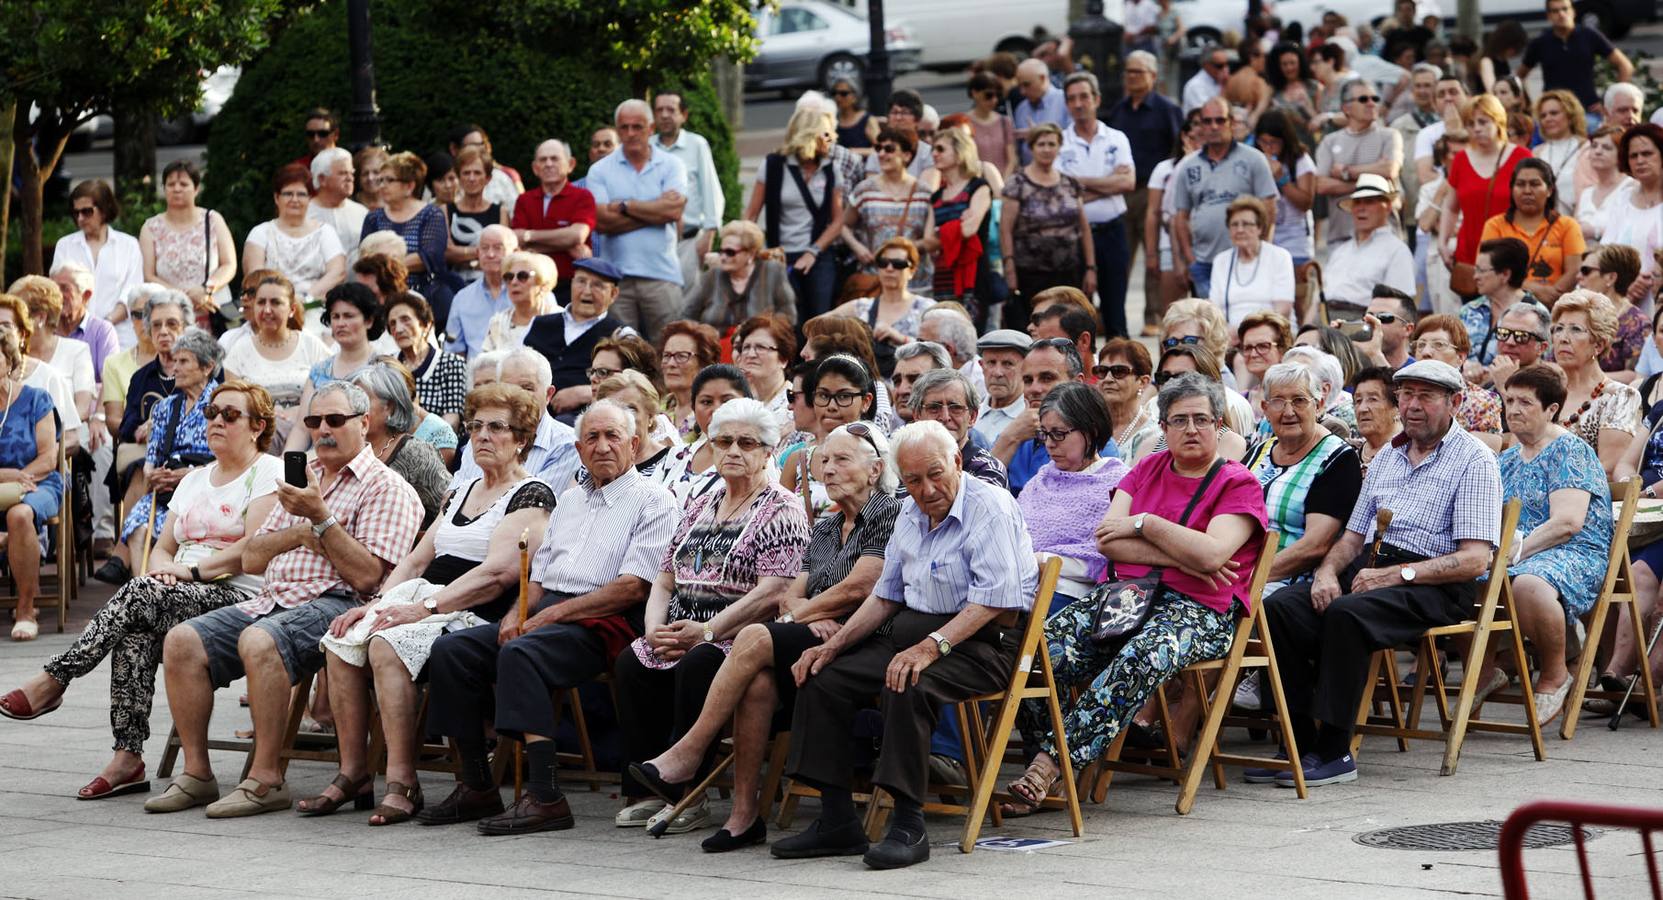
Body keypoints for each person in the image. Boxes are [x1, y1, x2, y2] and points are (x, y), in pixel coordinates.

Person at [148, 381, 422, 817]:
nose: (323, 430)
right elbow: (252, 557)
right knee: (181, 640)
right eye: (314, 421)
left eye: (335, 420)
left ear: (364, 423)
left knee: (260, 640)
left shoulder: (387, 488)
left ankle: (266, 778)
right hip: (272, 598)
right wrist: (298, 532)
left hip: (340, 604)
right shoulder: (302, 478)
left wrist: (321, 518)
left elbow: (368, 577)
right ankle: (197, 774)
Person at [771, 420, 1037, 868]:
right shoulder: (909, 512)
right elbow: (885, 596)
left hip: (982, 641)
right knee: (823, 676)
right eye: (913, 480)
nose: (926, 489)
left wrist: (930, 647)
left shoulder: (990, 506)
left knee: (907, 683)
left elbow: (994, 602)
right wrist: (832, 647)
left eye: (935, 474)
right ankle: (837, 820)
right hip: (913, 633)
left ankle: (909, 825)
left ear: (957, 461)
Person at [1002, 373, 1266, 812]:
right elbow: (1109, 542)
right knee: (1039, 652)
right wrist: (1185, 557)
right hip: (1128, 595)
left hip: (1199, 608)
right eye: (1179, 420)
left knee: (1141, 656)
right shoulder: (1147, 469)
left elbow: (1213, 553)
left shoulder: (1237, 483)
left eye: (1202, 419)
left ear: (1219, 425)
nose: (1191, 429)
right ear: (1163, 427)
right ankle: (1048, 769)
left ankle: (1049, 767)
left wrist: (1146, 524)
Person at [631, 424, 899, 851]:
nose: (828, 469)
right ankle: (744, 817)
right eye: (824, 460)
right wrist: (805, 616)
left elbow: (861, 586)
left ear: (875, 470)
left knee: (754, 635)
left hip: (866, 636)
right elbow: (790, 594)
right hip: (815, 633)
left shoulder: (889, 512)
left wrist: (802, 615)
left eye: (841, 460)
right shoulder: (827, 526)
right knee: (757, 684)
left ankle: (691, 750)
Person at [0, 380, 276, 794]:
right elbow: (162, 548)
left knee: (140, 595)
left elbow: (250, 550)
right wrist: (164, 571)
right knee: (136, 629)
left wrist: (188, 572)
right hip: (179, 589)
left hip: (240, 594)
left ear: (257, 426)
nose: (217, 421)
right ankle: (127, 757)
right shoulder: (195, 480)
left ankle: (57, 678)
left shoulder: (268, 472)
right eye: (211, 413)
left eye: (230, 415)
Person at [311, 383, 554, 823]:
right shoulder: (461, 490)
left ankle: (402, 782)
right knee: (342, 637)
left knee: (386, 643)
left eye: (497, 427)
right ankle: (354, 772)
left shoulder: (531, 494)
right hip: (426, 597)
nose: (482, 435)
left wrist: (424, 609)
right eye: (476, 426)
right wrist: (376, 603)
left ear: (522, 439)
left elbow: (497, 574)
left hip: (475, 607)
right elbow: (416, 560)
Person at [1260, 359, 1502, 787]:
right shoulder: (1389, 455)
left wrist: (1397, 575)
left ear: (1455, 403)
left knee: (1346, 614)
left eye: (1426, 396)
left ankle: (1335, 751)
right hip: (1371, 567)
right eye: (1406, 395)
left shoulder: (1474, 460)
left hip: (1435, 583)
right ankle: (1296, 745)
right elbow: (1352, 538)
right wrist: (1326, 572)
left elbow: (1474, 561)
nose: (1412, 405)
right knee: (1280, 608)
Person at [612, 398, 809, 833]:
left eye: (746, 443)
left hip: (737, 635)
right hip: (682, 625)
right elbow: (664, 578)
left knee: (700, 663)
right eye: (723, 441)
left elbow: (773, 592)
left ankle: (689, 794)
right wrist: (655, 631)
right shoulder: (703, 502)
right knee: (632, 661)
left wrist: (706, 630)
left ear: (767, 452)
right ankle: (650, 790)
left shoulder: (782, 508)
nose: (733, 451)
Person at [1488, 364, 1614, 725]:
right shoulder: (1506, 459)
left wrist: (1512, 552)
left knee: (1527, 583)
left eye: (1525, 402)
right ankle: (1483, 672)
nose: (1513, 409)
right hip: (1520, 552)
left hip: (1573, 552)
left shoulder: (1569, 451)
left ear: (1551, 409)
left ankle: (1555, 670)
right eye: (1510, 401)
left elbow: (1567, 523)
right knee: (1462, 576)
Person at [95, 327, 220, 585]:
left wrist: (188, 475)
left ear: (207, 367)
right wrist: (154, 476)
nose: (175, 368)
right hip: (169, 494)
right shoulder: (165, 407)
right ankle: (145, 594)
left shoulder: (222, 405)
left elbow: (231, 461)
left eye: (184, 361)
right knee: (137, 527)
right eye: (175, 361)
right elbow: (151, 460)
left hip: (211, 492)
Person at [1244, 362, 1363, 591]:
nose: (1289, 412)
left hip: (1285, 582)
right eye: (1278, 401)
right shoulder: (1258, 452)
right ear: (1265, 408)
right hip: (1237, 571)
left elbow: (1314, 546)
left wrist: (1250, 578)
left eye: (1299, 400)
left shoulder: (1336, 459)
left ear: (1318, 405)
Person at [1016, 382, 1130, 606]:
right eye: (1044, 434)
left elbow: (1102, 559)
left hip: (1071, 599)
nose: (1049, 444)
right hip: (1019, 584)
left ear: (1091, 431)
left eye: (1059, 434)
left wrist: (1043, 559)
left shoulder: (1119, 483)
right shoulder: (1041, 479)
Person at [589, 100, 689, 343]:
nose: (631, 133)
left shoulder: (672, 164)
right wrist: (656, 210)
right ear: (617, 129)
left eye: (638, 126)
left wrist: (626, 206)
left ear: (651, 128)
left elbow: (674, 210)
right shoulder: (600, 170)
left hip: (662, 275)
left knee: (670, 349)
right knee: (622, 352)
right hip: (616, 279)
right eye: (624, 127)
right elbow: (601, 222)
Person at [1107, 50, 1184, 337]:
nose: (1131, 77)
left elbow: (1178, 148)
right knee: (1120, 257)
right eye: (1128, 71)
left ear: (1153, 75)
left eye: (1137, 71)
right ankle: (1112, 314)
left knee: (1154, 256)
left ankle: (1153, 316)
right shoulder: (1119, 110)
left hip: (1155, 192)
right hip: (1124, 191)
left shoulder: (1167, 109)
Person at [1171, 99, 1278, 299]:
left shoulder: (1254, 159)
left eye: (1220, 120)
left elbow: (1269, 209)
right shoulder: (1188, 166)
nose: (1214, 126)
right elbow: (1181, 216)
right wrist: (1190, 260)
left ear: (1231, 122)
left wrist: (1261, 251)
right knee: (1208, 317)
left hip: (1244, 259)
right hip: (1203, 263)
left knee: (1243, 314)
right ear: (1201, 125)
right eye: (1207, 121)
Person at [746, 108, 841, 324]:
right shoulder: (773, 165)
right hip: (780, 255)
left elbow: (838, 220)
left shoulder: (831, 168)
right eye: (826, 134)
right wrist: (749, 251)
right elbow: (751, 214)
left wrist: (813, 251)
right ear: (809, 135)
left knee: (819, 321)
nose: (832, 139)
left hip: (818, 254)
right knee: (786, 321)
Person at [1058, 72, 1135, 339]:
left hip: (1112, 231)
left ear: (1097, 99)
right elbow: (1062, 193)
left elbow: (1128, 183)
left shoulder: (1116, 138)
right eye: (1072, 99)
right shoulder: (1060, 142)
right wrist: (1109, 183)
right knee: (1076, 314)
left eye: (1084, 97)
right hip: (1075, 236)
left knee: (1115, 312)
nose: (1078, 104)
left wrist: (1080, 183)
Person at [0, 328, 62, 642]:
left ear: (8, 360)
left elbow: (48, 458)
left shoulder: (36, 398)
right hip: (6, 482)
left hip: (39, 484)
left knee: (20, 514)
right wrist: (7, 476)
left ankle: (26, 609)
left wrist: (21, 478)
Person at [221, 274, 330, 448]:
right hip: (258, 437)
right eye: (261, 302)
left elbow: (329, 396)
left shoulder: (312, 346)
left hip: (309, 433)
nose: (267, 310)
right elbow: (233, 406)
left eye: (275, 303)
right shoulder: (239, 351)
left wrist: (299, 412)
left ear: (292, 309)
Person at [522, 257, 637, 419]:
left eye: (598, 285)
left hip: (586, 416)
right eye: (581, 282)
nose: (587, 291)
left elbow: (635, 385)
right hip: (532, 412)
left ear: (613, 294)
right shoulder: (539, 323)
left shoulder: (621, 334)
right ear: (571, 284)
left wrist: (587, 392)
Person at [450, 348, 579, 491]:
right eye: (508, 388)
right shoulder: (481, 436)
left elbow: (532, 500)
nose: (517, 397)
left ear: (548, 394)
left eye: (527, 388)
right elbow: (452, 496)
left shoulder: (567, 445)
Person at [1440, 96, 1532, 292]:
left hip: (1510, 253)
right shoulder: (1461, 159)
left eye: (1483, 122)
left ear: (1498, 121)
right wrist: (1443, 241)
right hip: (1469, 254)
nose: (1476, 129)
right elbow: (1451, 206)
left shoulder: (1522, 157)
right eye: (1470, 124)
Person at [1545, 290, 1641, 474]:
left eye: (1575, 329)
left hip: (1583, 490)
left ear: (1599, 344)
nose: (1563, 338)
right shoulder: (1543, 391)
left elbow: (1609, 469)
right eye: (1558, 329)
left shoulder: (1619, 396)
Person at [1001, 124, 1092, 308]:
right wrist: (1009, 267)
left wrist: (1091, 268)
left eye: (1052, 144)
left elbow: (1084, 228)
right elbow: (1005, 229)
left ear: (1059, 147)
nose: (1046, 149)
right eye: (1041, 144)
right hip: (1030, 272)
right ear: (1031, 148)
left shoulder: (1070, 183)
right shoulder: (1017, 183)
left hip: (1069, 270)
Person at [140, 160, 237, 334]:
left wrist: (206, 289)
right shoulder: (151, 227)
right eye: (171, 184)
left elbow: (229, 264)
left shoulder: (212, 220)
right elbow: (148, 275)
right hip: (171, 316)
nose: (177, 189)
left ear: (196, 188)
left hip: (212, 311)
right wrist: (183, 296)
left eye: (184, 184)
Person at [284, 284, 382, 453]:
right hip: (318, 454)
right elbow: (302, 428)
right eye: (335, 316)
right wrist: (286, 460)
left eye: (349, 316)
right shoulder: (319, 371)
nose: (341, 323)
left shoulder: (382, 368)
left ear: (369, 320)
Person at [843, 128, 936, 296]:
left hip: (916, 284)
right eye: (878, 148)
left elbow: (932, 240)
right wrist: (858, 248)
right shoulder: (864, 190)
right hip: (876, 282)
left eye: (889, 149)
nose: (881, 154)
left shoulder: (924, 193)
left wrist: (900, 250)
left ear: (907, 155)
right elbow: (843, 225)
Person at [50, 180, 142, 348]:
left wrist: (104, 326)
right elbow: (58, 290)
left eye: (87, 211)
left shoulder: (129, 245)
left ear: (104, 210)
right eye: (76, 212)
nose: (80, 218)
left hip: (120, 336)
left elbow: (132, 292)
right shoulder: (65, 245)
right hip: (73, 335)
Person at [1480, 159, 1585, 304]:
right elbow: (1489, 270)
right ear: (1512, 189)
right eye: (1520, 184)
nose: (1527, 191)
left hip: (1556, 305)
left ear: (1549, 190)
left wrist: (1553, 297)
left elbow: (1574, 271)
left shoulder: (1568, 225)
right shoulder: (1495, 226)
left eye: (1535, 184)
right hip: (1505, 306)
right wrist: (1536, 291)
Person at [1314, 79, 1405, 245]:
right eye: (1363, 99)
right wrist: (1375, 184)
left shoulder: (1389, 136)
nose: (1371, 103)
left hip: (1384, 236)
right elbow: (1322, 185)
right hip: (1341, 236)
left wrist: (1345, 172)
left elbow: (1390, 170)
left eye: (1375, 99)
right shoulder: (1330, 141)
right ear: (1346, 108)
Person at [244, 164, 347, 306]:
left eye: (301, 194)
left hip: (315, 308)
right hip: (270, 309)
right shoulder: (260, 233)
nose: (295, 199)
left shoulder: (325, 232)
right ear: (276, 198)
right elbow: (254, 277)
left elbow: (337, 272)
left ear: (309, 198)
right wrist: (281, 302)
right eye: (288, 194)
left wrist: (305, 299)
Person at [652, 89, 724, 289]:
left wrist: (709, 233)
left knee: (689, 301)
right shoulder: (647, 148)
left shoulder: (697, 144)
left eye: (671, 110)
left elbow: (711, 189)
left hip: (689, 242)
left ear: (683, 115)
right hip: (654, 242)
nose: (664, 115)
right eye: (659, 110)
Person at [828, 238, 933, 375]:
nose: (889, 268)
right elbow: (816, 325)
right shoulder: (861, 306)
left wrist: (902, 339)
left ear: (912, 271)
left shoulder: (927, 308)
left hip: (913, 384)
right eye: (883, 263)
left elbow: (941, 352)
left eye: (898, 264)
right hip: (869, 383)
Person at [509, 139, 595, 306]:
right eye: (543, 159)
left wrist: (530, 237)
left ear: (570, 164)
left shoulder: (583, 197)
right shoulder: (524, 200)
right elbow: (517, 242)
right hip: (531, 287)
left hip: (572, 286)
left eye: (555, 159)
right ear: (535, 168)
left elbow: (577, 235)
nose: (548, 164)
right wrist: (566, 244)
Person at [361, 152, 451, 309]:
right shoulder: (373, 218)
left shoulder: (431, 214)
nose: (382, 185)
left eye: (389, 180)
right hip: (380, 297)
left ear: (409, 186)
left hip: (424, 294)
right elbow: (365, 258)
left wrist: (384, 267)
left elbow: (429, 257)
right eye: (381, 180)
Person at [1516, 0, 1633, 118]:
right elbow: (1519, 77)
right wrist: (1528, 105)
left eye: (1565, 9)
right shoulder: (1540, 43)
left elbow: (1625, 66)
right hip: (1554, 114)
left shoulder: (1589, 35)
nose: (1561, 14)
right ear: (1548, 16)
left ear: (1573, 11)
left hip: (1589, 112)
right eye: (1555, 11)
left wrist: (1610, 103)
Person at [1324, 175, 1417, 312]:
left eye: (1369, 201)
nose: (1361, 208)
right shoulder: (1340, 251)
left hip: (1365, 320)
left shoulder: (1397, 251)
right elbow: (1319, 300)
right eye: (1357, 202)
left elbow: (1399, 308)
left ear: (1387, 207)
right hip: (1325, 316)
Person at [681, 220, 795, 331]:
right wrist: (701, 335)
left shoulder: (772, 272)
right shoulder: (711, 276)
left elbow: (788, 315)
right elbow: (687, 315)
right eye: (721, 251)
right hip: (716, 342)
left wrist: (765, 334)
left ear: (750, 254)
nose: (723, 257)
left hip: (758, 342)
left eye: (730, 252)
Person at [927, 128, 994, 314]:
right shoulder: (936, 197)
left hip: (972, 274)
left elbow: (969, 230)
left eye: (940, 149)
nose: (934, 154)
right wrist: (956, 226)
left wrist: (940, 231)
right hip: (942, 275)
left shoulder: (978, 187)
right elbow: (928, 241)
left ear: (959, 153)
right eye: (933, 149)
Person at [1458, 238, 1552, 367]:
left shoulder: (1536, 314)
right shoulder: (1469, 310)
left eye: (1481, 270)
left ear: (1505, 274)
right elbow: (1453, 353)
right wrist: (1466, 365)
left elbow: (1544, 365)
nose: (1475, 276)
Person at [1407, 314, 1503, 439]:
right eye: (1421, 345)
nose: (1426, 352)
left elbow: (1485, 448)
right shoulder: (1402, 394)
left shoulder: (1482, 401)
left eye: (1439, 345)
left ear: (1460, 357)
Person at [908, 368, 1009, 487]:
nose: (945, 417)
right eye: (934, 408)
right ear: (917, 415)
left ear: (972, 417)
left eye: (955, 408)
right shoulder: (904, 465)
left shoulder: (988, 470)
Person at [1207, 197, 1294, 327]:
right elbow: (1214, 307)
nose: (1240, 230)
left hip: (1271, 329)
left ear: (1260, 228)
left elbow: (1283, 310)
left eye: (1246, 224)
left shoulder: (1279, 256)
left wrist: (1248, 332)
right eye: (1234, 224)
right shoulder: (1221, 261)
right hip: (1229, 333)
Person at [1601, 125, 1663, 307]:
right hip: (1624, 300)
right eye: (1633, 156)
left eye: (1647, 154)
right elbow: (1606, 252)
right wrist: (1627, 285)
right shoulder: (1623, 198)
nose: (1640, 161)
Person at [385, 293, 468, 427]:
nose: (398, 329)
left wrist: (422, 432)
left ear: (426, 325)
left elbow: (452, 421)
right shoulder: (387, 367)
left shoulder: (452, 364)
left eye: (405, 320)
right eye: (392, 323)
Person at [1253, 111, 1317, 275]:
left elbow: (1306, 203)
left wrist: (1282, 179)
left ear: (1285, 140)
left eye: (1274, 142)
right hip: (1263, 241)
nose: (1268, 147)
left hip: (1295, 245)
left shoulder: (1300, 160)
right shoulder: (1254, 160)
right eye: (1263, 142)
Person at [446, 225, 517, 360]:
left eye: (498, 248)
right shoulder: (462, 298)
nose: (490, 254)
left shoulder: (531, 294)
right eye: (484, 248)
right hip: (477, 370)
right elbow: (454, 351)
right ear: (478, 253)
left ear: (515, 252)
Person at [444, 146, 510, 286]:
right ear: (459, 177)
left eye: (477, 173)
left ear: (488, 178)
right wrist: (487, 252)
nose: (472, 178)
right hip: (454, 284)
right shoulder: (445, 210)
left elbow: (503, 253)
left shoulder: (500, 212)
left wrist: (463, 254)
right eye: (466, 173)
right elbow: (447, 252)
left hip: (492, 283)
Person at [1580, 245, 1647, 376]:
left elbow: (1635, 376)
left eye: (1586, 271)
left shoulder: (1636, 322)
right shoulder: (1575, 312)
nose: (1578, 276)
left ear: (1611, 278)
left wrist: (1587, 379)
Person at [482, 250, 558, 354]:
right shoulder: (497, 323)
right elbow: (487, 361)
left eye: (522, 276)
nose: (513, 282)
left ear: (543, 285)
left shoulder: (561, 320)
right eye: (509, 277)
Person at [732, 314, 795, 438]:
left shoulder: (793, 406)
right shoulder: (741, 403)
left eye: (761, 347)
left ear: (783, 359)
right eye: (746, 347)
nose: (751, 354)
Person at [658, 321, 720, 439]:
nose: (671, 363)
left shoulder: (715, 413)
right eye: (667, 355)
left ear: (704, 363)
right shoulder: (656, 410)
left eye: (681, 356)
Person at [307, 147, 368, 264]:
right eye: (343, 173)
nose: (350, 178)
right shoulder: (304, 214)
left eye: (351, 173)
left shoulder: (362, 213)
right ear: (322, 179)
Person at [1575, 125, 1635, 242]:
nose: (1598, 151)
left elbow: (1634, 229)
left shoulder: (1631, 187)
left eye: (1606, 148)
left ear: (1620, 155)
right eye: (1594, 146)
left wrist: (1595, 231)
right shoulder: (1586, 193)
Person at [1533, 92, 1588, 216]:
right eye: (1543, 116)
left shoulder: (1586, 148)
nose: (1548, 119)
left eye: (1554, 113)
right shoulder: (1536, 153)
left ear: (1570, 115)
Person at [1012, 58, 1070, 164]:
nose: (1022, 91)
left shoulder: (1066, 101)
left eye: (1026, 85)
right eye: (1020, 86)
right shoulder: (1021, 109)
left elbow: (1076, 138)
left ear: (1042, 78)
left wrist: (1039, 134)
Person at [1349, 366, 1401, 473]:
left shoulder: (1408, 455)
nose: (1362, 409)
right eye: (1358, 400)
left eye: (1373, 399)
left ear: (1397, 407)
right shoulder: (1348, 455)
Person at [966, 72, 1017, 178]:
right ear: (975, 93)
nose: (994, 100)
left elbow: (1012, 159)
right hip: (977, 181)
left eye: (998, 95)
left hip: (1004, 181)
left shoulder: (1004, 122)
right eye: (988, 95)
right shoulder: (965, 123)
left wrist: (1002, 182)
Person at [831, 78, 875, 154]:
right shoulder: (832, 120)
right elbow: (828, 145)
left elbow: (881, 149)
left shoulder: (867, 120)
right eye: (834, 93)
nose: (837, 97)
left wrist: (852, 152)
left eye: (843, 93)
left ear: (855, 97)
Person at [1184, 45, 1231, 113]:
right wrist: (1223, 87)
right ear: (1206, 65)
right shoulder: (1195, 86)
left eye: (1227, 64)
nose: (1225, 69)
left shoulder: (1220, 81)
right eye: (1220, 66)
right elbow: (1210, 114)